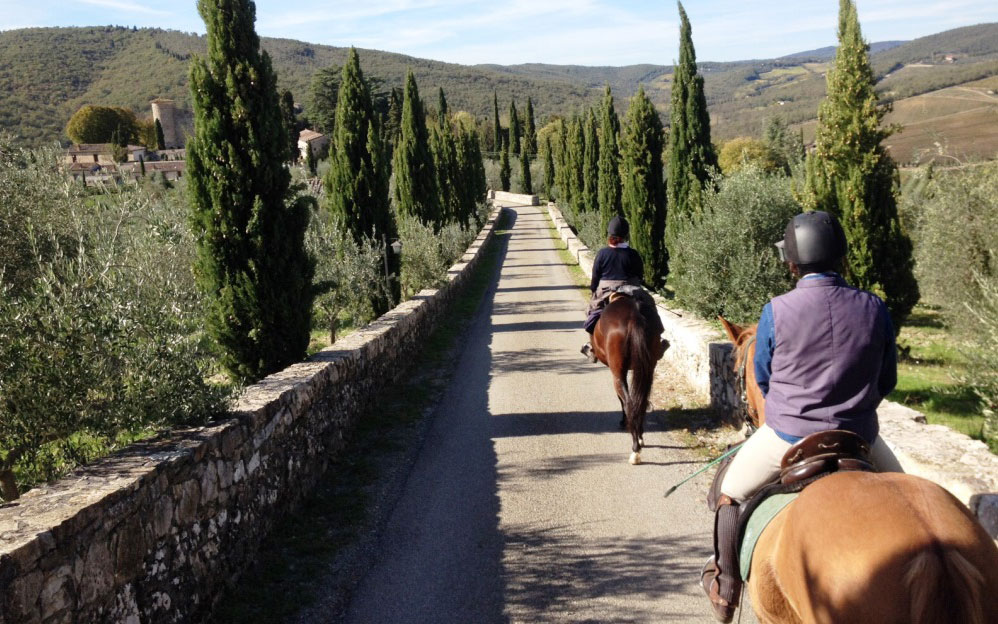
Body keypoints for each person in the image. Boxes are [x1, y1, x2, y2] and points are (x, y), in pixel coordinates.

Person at [702, 210, 905, 623]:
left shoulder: (777, 310)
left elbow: (763, 377)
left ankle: (725, 590)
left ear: (791, 263)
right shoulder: (874, 308)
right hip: (860, 439)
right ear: (843, 257)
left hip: (787, 437)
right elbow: (888, 380)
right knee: (908, 496)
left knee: (730, 493)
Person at [580, 215, 645, 363]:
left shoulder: (603, 253)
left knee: (592, 312)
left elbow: (595, 276)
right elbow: (640, 275)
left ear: (610, 235)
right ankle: (658, 341)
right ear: (626, 235)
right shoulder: (633, 254)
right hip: (631, 288)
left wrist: (593, 291)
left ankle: (592, 348)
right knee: (649, 307)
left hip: (606, 290)